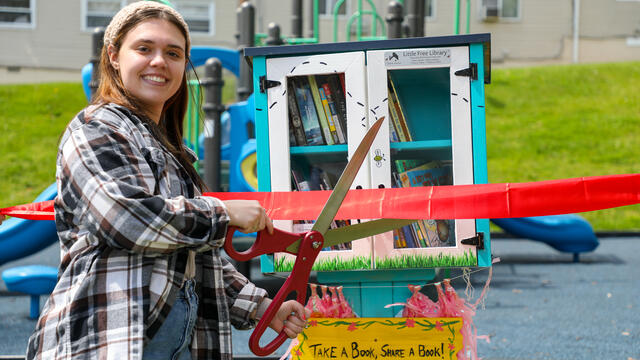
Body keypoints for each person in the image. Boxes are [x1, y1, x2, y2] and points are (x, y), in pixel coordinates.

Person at [26, 2, 309, 359]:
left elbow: (195, 254)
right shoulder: (95, 129)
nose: (159, 61)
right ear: (114, 55)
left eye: (173, 53)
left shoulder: (173, 150)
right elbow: (126, 219)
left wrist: (263, 307)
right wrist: (221, 212)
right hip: (111, 340)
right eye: (144, 48)